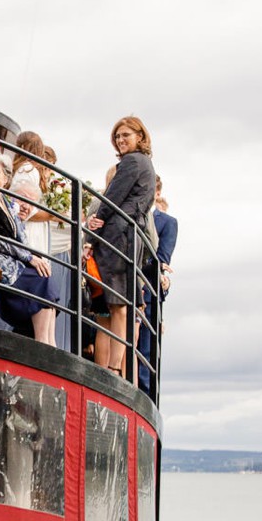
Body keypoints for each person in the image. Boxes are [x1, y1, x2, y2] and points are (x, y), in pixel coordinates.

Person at [85, 116, 157, 377]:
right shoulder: (145, 164)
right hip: (130, 235)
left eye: (126, 134)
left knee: (117, 304)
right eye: (117, 136)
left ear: (140, 136)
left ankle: (114, 367)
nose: (120, 140)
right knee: (119, 304)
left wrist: (93, 232)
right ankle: (116, 366)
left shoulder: (131, 162)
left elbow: (112, 199)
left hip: (119, 235)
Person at [0, 153, 59, 345]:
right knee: (39, 279)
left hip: (9, 259)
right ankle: (43, 342)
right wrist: (28, 258)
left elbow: (21, 238)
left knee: (44, 275)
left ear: (5, 179)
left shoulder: (6, 203)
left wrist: (34, 257)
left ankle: (47, 341)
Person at [137, 178, 178, 393]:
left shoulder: (168, 222)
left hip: (149, 292)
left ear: (158, 192)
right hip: (125, 286)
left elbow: (161, 258)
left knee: (146, 352)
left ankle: (146, 398)